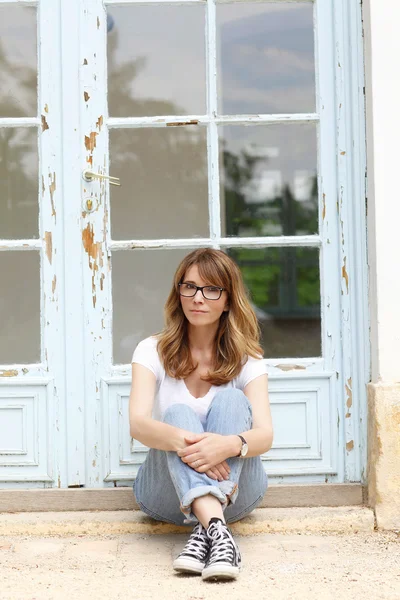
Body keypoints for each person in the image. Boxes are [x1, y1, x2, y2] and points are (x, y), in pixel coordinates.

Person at [129, 248, 273, 581]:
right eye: (189, 286)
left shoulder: (247, 357)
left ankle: (206, 530)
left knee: (233, 403)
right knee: (177, 412)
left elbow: (265, 434)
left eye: (211, 289)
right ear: (178, 292)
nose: (198, 298)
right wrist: (194, 445)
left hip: (239, 493)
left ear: (228, 299)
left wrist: (227, 446)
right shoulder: (151, 350)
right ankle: (218, 532)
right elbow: (138, 424)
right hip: (163, 496)